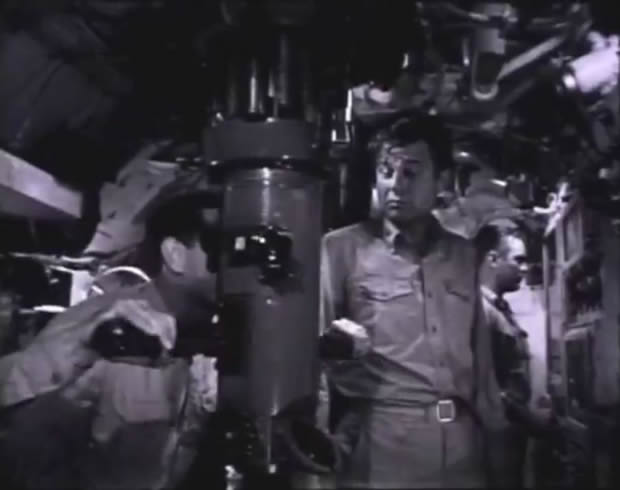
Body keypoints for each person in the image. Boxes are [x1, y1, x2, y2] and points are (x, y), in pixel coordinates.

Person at [0, 179, 222, 490]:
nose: (235, 260)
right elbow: (18, 440)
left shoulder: (222, 335)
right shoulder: (102, 329)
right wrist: (82, 347)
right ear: (175, 254)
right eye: (218, 244)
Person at [320, 117, 497, 488]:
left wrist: (495, 443)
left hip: (463, 450)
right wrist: (316, 455)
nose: (396, 185)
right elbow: (314, 360)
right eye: (386, 172)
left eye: (411, 172)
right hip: (383, 450)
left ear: (442, 181)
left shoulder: (463, 255)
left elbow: (482, 367)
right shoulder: (341, 250)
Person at [477, 221, 532, 488]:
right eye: (518, 260)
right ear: (493, 259)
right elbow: (479, 384)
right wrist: (530, 418)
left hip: (508, 435)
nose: (525, 268)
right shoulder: (478, 311)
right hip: (490, 440)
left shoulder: (499, 309)